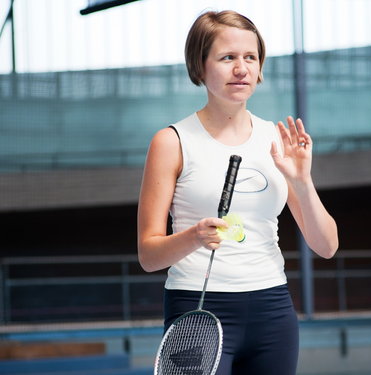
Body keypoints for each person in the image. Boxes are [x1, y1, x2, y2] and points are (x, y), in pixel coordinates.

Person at [137, 10, 338, 375]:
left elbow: (327, 246)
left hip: (273, 310)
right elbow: (149, 256)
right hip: (196, 307)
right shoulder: (171, 142)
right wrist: (194, 236)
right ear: (200, 66)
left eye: (250, 57)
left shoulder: (277, 139)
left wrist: (302, 181)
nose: (241, 68)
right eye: (227, 57)